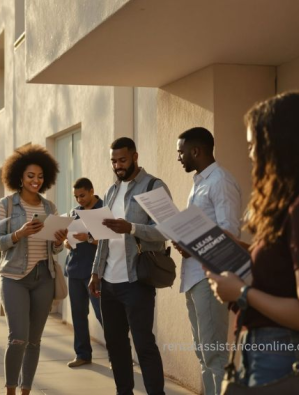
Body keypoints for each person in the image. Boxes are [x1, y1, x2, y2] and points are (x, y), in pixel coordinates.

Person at [207, 91, 299, 394]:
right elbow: (290, 266)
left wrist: (241, 292)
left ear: (281, 144)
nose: (250, 155)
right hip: (280, 355)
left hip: (290, 359)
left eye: (252, 145)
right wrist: (239, 248)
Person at [89, 137, 169, 395]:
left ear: (135, 156)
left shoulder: (153, 186)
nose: (117, 165)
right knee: (115, 345)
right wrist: (95, 272)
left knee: (144, 344)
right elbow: (104, 236)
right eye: (113, 161)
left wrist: (131, 227)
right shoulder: (112, 191)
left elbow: (166, 230)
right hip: (109, 282)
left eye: (122, 160)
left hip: (136, 281)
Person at [0, 144, 67, 395]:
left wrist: (58, 242)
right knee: (18, 338)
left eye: (40, 176)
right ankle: (10, 391)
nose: (36, 180)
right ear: (19, 177)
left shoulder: (49, 208)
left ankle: (26, 391)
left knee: (34, 341)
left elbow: (54, 250)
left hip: (43, 278)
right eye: (30, 176)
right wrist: (19, 234)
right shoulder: (6, 205)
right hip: (14, 278)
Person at [175, 127, 241, 395]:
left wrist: (193, 245)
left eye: (181, 152)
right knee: (203, 353)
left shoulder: (220, 181)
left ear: (196, 151)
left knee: (214, 355)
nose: (179, 157)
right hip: (192, 278)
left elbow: (230, 233)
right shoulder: (200, 183)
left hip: (210, 278)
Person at [63, 177, 103, 368]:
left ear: (91, 191)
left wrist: (87, 238)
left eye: (82, 195)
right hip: (74, 270)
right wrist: (67, 242)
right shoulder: (74, 212)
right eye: (76, 196)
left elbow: (107, 240)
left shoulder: (103, 209)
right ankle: (82, 354)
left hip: (95, 271)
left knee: (103, 314)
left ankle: (118, 355)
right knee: (78, 315)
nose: (79, 200)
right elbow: (69, 240)